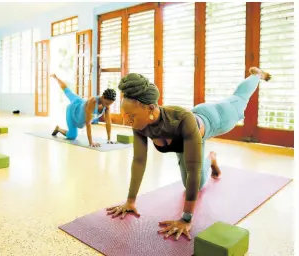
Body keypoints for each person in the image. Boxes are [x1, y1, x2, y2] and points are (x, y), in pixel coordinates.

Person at [106, 67, 271, 241]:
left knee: (238, 100)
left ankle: (256, 75)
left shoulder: (182, 120)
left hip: (215, 118)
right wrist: (130, 201)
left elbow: (194, 169)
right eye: (125, 114)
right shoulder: (140, 124)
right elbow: (139, 160)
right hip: (187, 137)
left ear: (151, 109)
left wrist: (186, 218)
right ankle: (211, 158)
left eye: (131, 115)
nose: (126, 121)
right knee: (195, 185)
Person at [50, 74, 116, 147]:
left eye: (110, 104)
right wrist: (91, 142)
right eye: (107, 103)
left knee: (68, 92)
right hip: (72, 111)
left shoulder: (106, 106)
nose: (108, 105)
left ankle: (59, 128)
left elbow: (108, 122)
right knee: (72, 136)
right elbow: (88, 123)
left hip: (80, 102)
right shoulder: (93, 102)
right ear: (103, 97)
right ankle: (58, 129)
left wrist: (109, 139)